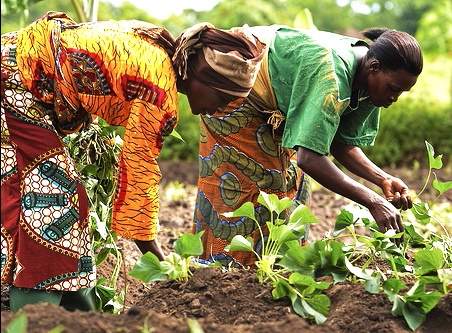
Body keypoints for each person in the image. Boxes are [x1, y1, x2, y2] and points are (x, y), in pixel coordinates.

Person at [1, 11, 265, 312]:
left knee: (68, 204)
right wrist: (162, 265)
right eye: (224, 97)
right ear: (205, 79)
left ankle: (83, 318)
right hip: (13, 84)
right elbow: (138, 178)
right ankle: (32, 316)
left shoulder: (158, 44)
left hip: (19, 81)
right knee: (49, 204)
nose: (222, 108)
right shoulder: (159, 91)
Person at [193, 25, 423, 268]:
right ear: (374, 67)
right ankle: (221, 275)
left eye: (401, 92)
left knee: (293, 187)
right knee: (247, 187)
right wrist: (373, 202)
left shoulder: (370, 83)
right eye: (394, 89)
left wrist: (382, 179)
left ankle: (279, 272)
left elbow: (341, 143)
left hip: (277, 108)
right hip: (235, 91)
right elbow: (310, 158)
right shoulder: (331, 74)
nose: (394, 98)